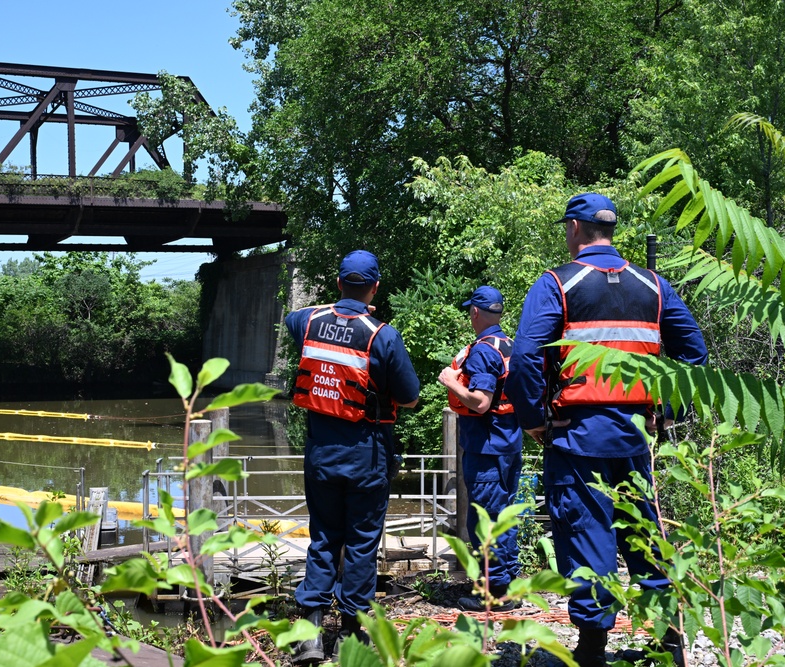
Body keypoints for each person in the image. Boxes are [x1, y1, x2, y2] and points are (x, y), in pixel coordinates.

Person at [504, 193, 708, 667]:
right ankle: (669, 646)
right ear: (610, 230)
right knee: (645, 535)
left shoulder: (558, 283)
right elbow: (694, 354)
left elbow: (525, 358)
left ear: (575, 229)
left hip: (578, 435)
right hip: (636, 436)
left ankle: (593, 650)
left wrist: (534, 420)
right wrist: (666, 411)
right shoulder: (653, 285)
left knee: (585, 533)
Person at [285, 249, 421, 665]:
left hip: (321, 453)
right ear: (375, 287)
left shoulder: (309, 322)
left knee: (324, 537)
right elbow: (411, 398)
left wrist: (341, 308)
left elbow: (296, 316)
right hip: (367, 455)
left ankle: (309, 635)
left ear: (338, 283)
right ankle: (349, 635)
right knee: (361, 544)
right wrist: (360, 313)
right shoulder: (382, 336)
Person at [437, 285, 523, 612]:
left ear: (475, 312)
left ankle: (495, 593)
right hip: (508, 444)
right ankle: (507, 584)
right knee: (502, 517)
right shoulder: (509, 344)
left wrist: (451, 382)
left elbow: (481, 402)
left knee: (484, 521)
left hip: (486, 449)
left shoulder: (483, 351)